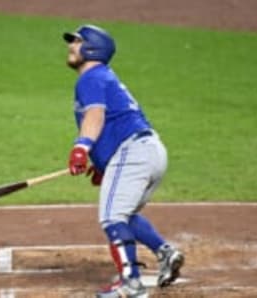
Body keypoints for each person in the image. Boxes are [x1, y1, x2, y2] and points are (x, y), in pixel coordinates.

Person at [63, 24, 185, 298]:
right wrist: (104, 164)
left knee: (111, 217)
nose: (71, 46)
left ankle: (131, 284)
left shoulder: (91, 77)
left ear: (92, 48)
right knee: (125, 214)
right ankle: (165, 253)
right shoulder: (104, 77)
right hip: (149, 151)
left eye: (77, 41)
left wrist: (81, 148)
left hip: (134, 153)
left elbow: (96, 116)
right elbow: (118, 121)